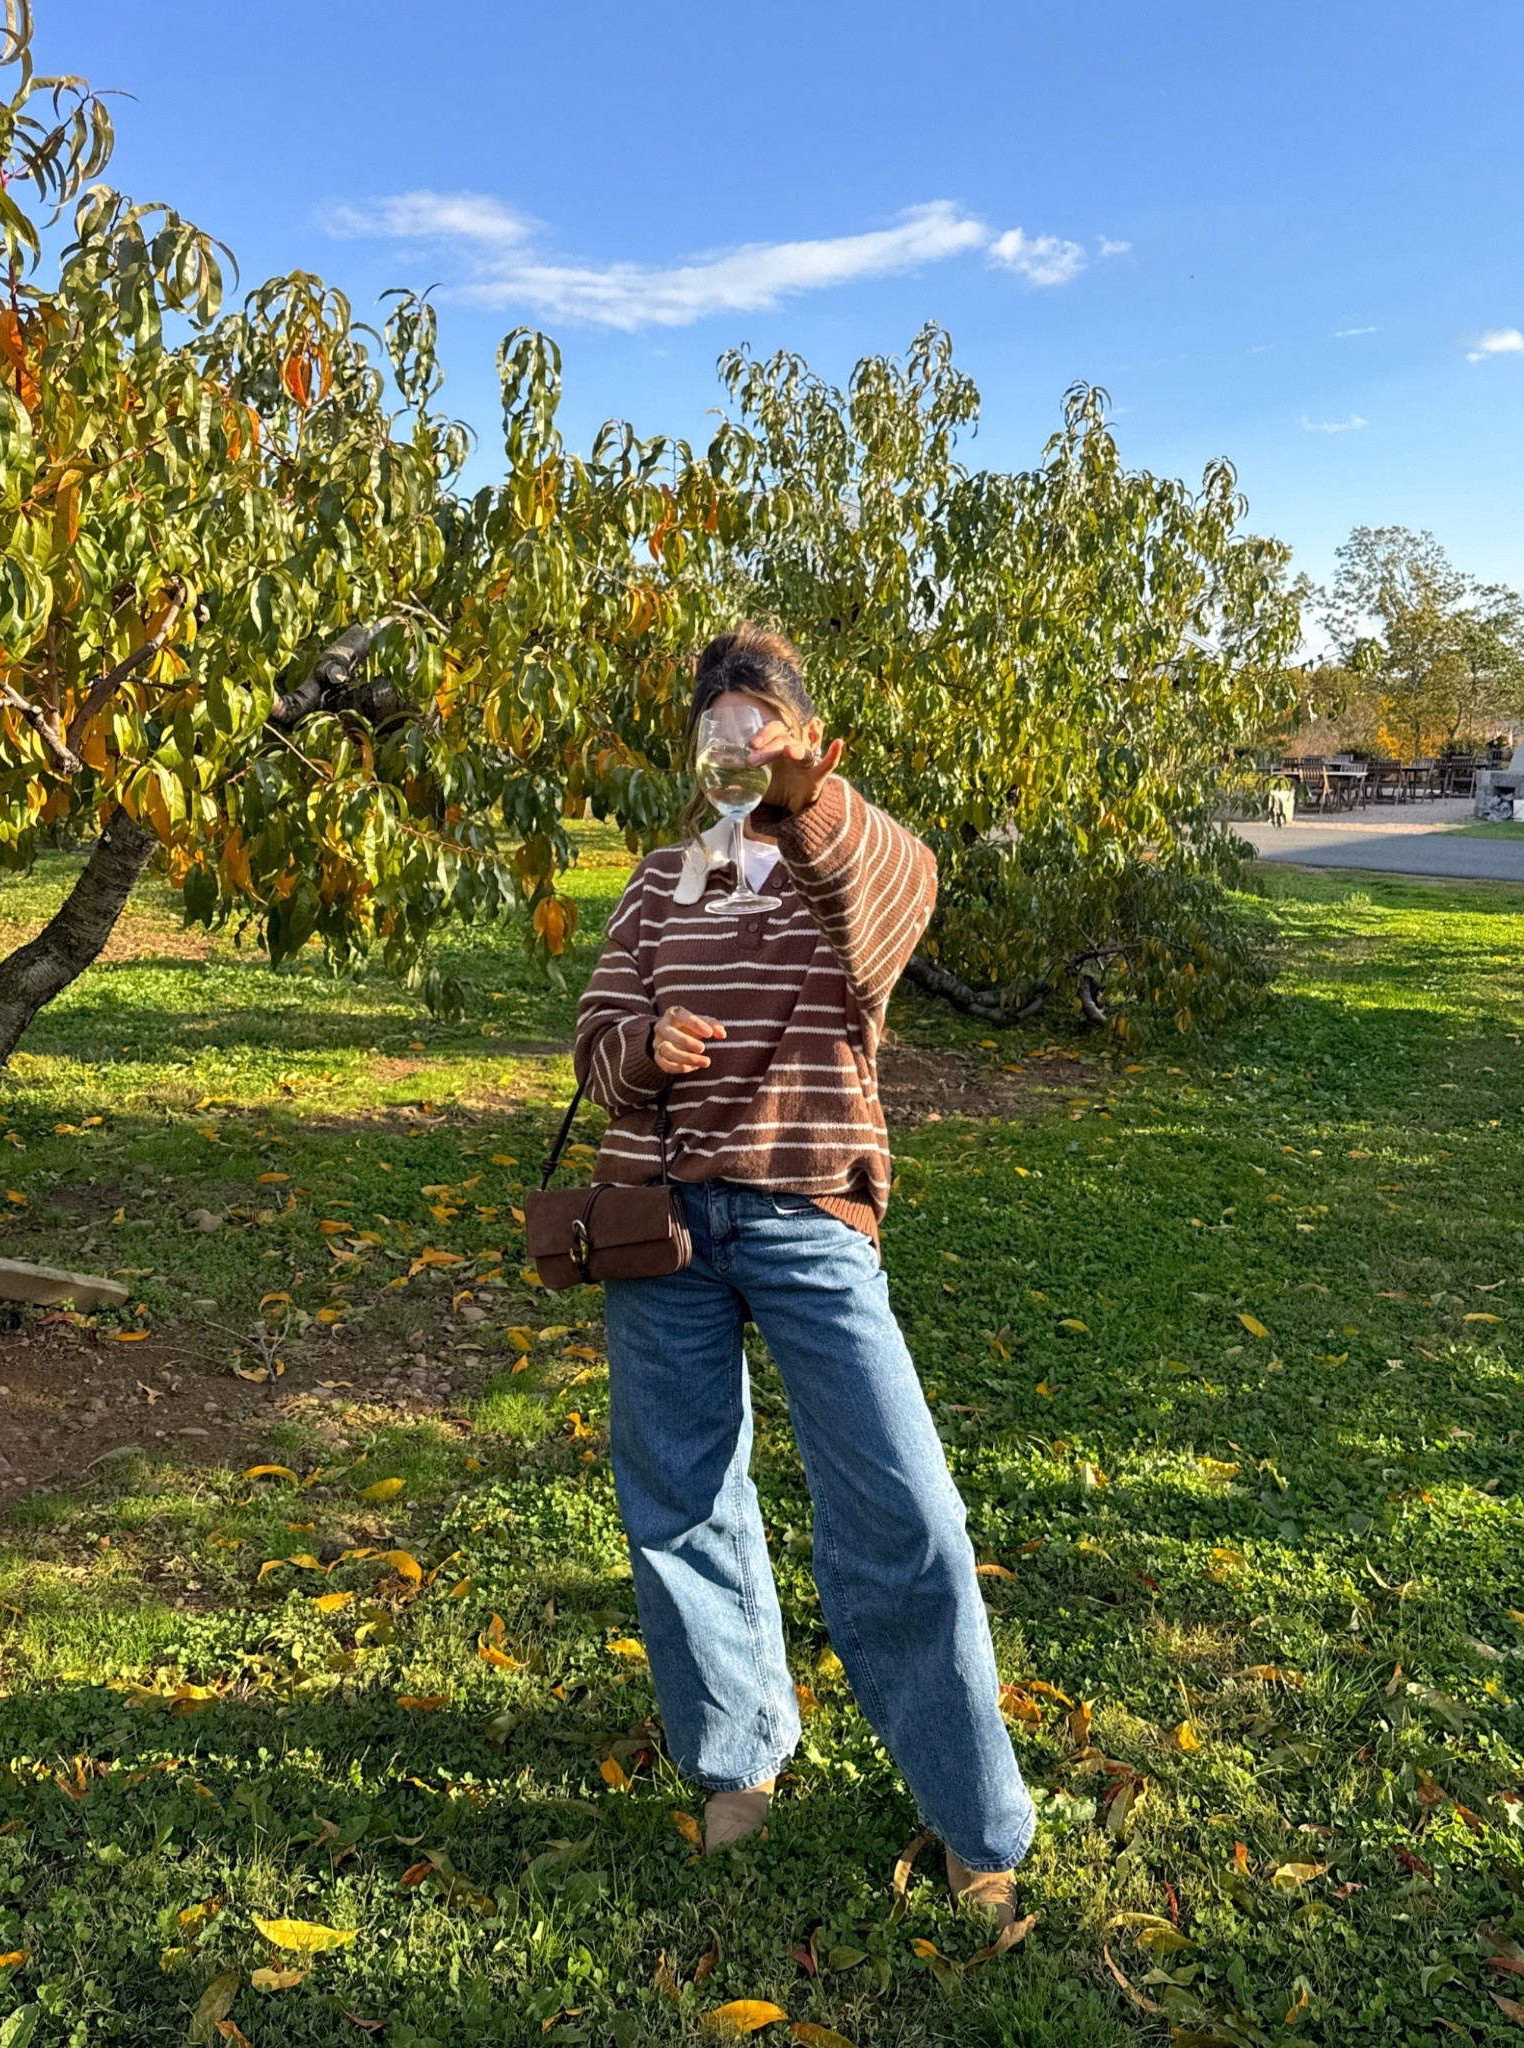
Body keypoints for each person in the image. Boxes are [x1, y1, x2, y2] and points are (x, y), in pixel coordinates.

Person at [573, 625, 1035, 1920]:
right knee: (679, 1497)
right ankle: (735, 1757)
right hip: (659, 1223)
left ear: (803, 739)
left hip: (806, 1220)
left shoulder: (855, 862)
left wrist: (801, 794)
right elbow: (594, 1041)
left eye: (758, 726)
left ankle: (973, 1819)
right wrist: (643, 1047)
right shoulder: (660, 881)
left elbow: (889, 894)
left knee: (902, 1513)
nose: (735, 749)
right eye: (717, 728)